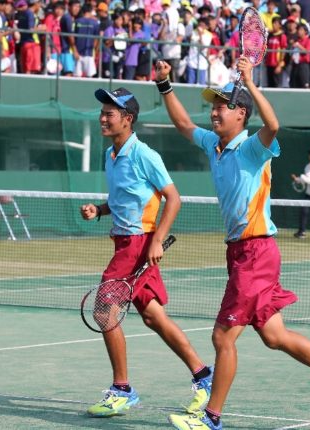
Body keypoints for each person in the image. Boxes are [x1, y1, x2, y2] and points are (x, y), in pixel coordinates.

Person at [154, 58, 310, 430]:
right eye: (213, 106)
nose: (214, 112)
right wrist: (165, 85)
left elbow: (273, 124)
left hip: (256, 251)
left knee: (222, 336)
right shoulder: (213, 145)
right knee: (274, 335)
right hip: (240, 252)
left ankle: (212, 418)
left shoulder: (253, 147)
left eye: (222, 106)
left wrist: (250, 82)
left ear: (241, 114)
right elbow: (185, 124)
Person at [79, 87, 214, 419]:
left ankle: (122, 389)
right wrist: (99, 209)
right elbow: (125, 200)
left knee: (104, 312)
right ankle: (203, 376)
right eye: (102, 112)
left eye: (110, 113)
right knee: (154, 316)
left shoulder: (145, 155)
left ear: (128, 119)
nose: (103, 118)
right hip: (124, 241)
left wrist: (157, 241)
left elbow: (174, 198)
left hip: (139, 245)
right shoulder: (112, 155)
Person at [74, 4, 100, 77]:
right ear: (91, 11)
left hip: (78, 53)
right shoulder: (95, 23)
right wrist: (94, 49)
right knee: (89, 76)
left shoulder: (77, 21)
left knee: (76, 77)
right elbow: (97, 38)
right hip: (89, 53)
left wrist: (75, 50)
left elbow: (73, 37)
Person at [59, 0, 80, 76]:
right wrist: (75, 50)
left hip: (68, 50)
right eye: (75, 6)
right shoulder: (67, 18)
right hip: (66, 50)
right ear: (69, 7)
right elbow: (70, 35)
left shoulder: (71, 18)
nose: (77, 9)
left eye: (78, 7)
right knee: (68, 73)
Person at [265, 16, 287, 87]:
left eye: (276, 23)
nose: (274, 25)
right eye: (273, 23)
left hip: (277, 65)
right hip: (269, 64)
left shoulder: (282, 36)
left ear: (280, 25)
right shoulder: (270, 35)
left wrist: (280, 65)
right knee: (269, 84)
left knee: (277, 85)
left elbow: (283, 50)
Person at [289, 23, 310, 88]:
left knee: (304, 86)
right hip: (295, 66)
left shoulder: (309, 40)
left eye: (301, 30)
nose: (299, 31)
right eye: (298, 30)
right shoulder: (296, 41)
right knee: (293, 85)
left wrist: (298, 46)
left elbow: (307, 51)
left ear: (305, 31)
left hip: (303, 66)